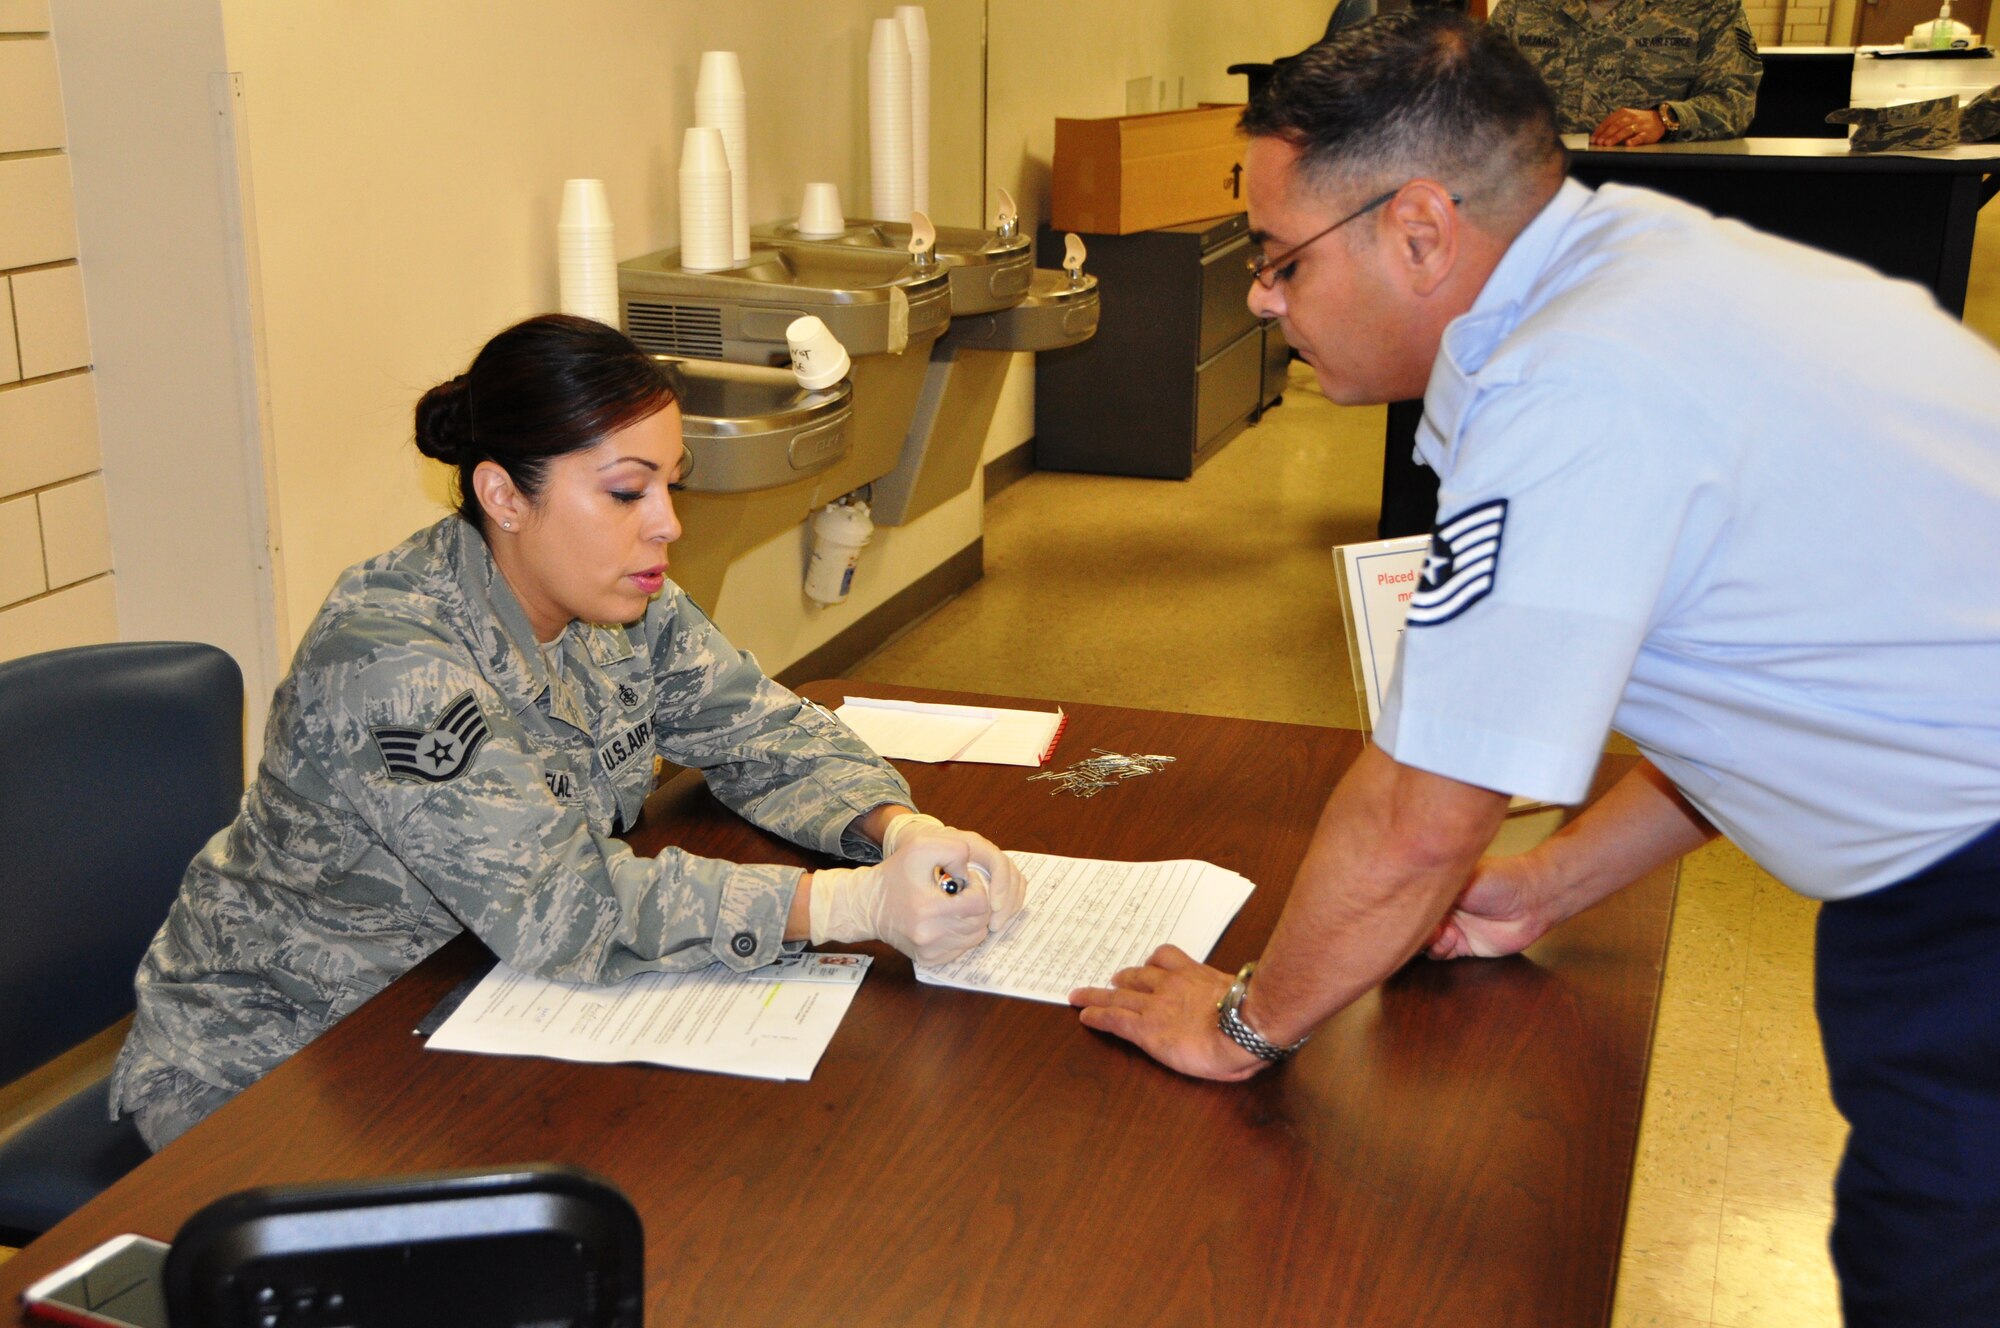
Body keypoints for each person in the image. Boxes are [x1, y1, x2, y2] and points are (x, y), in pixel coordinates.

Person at [1068, 14, 2000, 1326]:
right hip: (1952, 822)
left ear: (1421, 231)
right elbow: (1770, 681)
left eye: (1280, 262)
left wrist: (1239, 1027)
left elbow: (1415, 821)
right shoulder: (1642, 270)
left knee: (1941, 1281)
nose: (1264, 299)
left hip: (1970, 897)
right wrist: (1545, 886)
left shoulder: (1577, 383)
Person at [113, 314, 1026, 1150]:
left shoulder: (621, 600)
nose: (666, 524)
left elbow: (761, 728)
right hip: (284, 1055)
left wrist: (900, 832)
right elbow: (561, 902)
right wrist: (848, 908)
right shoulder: (394, 658)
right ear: (503, 496)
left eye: (671, 485)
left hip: (472, 996)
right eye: (627, 492)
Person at [1489, 0, 1761, 144]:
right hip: (1538, 189)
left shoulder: (1708, 7)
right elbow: (1474, 87)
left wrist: (1665, 119)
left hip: (1651, 192)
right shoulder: (1521, 6)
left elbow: (1734, 99)